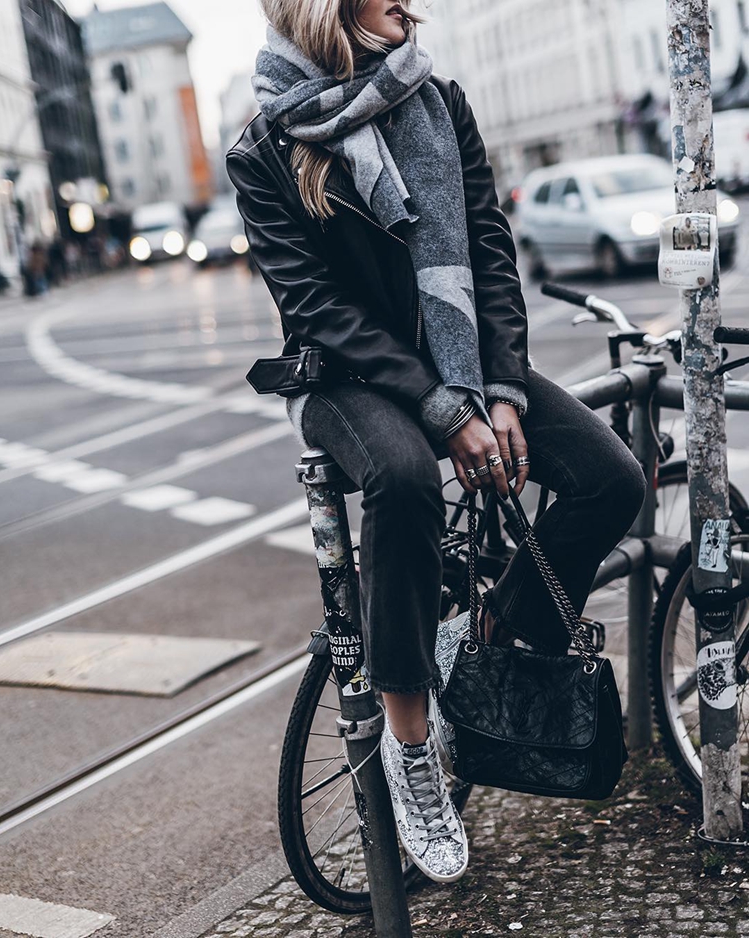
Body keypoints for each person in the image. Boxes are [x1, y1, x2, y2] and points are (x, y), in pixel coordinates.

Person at [227, 0, 646, 884]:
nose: (412, 5)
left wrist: (493, 390)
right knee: (408, 478)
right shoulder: (263, 146)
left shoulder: (438, 100)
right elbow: (318, 310)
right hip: (347, 377)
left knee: (611, 477)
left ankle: (492, 630)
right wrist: (441, 407)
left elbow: (489, 251)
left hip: (458, 358)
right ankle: (410, 743)